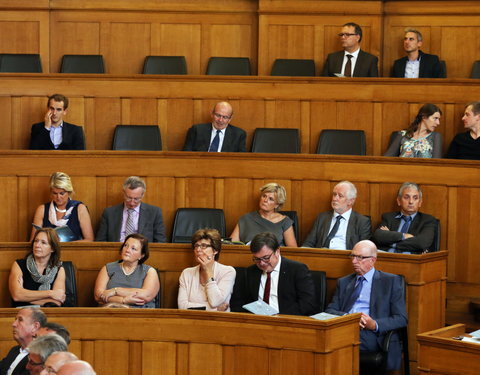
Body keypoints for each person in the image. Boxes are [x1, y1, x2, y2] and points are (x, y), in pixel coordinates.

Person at [326, 240, 407, 373]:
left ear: (373, 260)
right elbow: (330, 310)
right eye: (352, 256)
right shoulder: (344, 282)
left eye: (360, 258)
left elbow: (401, 318)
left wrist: (374, 324)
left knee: (338, 346)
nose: (354, 261)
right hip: (344, 329)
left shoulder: (391, 282)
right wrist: (349, 318)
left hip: (371, 334)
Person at [230, 232, 317, 316]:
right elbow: (237, 303)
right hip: (257, 323)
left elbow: (307, 305)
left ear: (277, 251)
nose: (262, 263)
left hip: (287, 322)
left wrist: (279, 317)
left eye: (266, 258)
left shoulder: (297, 270)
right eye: (257, 259)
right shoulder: (250, 272)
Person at [94, 233, 160, 308]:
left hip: (140, 315)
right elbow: (98, 296)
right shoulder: (108, 268)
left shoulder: (150, 271)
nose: (127, 250)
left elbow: (146, 295)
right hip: (111, 313)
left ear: (141, 255)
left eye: (133, 248)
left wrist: (115, 291)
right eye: (126, 245)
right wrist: (123, 300)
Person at [178, 228, 236, 311]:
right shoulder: (186, 273)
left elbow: (215, 302)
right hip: (192, 320)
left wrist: (208, 271)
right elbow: (182, 306)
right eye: (196, 246)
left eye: (204, 246)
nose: (198, 250)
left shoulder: (228, 271)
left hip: (219, 321)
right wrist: (215, 309)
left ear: (215, 250)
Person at [302, 181, 371, 249]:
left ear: (351, 201)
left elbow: (364, 250)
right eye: (334, 194)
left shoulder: (362, 222)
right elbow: (308, 243)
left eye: (340, 196)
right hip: (321, 256)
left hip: (347, 258)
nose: (335, 199)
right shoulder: (322, 217)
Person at [95, 176, 166, 242]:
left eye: (136, 199)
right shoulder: (109, 213)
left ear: (142, 195)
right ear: (123, 193)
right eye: (129, 198)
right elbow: (101, 241)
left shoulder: (154, 212)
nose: (132, 203)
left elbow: (160, 242)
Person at [372, 182, 437, 253]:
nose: (411, 202)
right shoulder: (388, 217)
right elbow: (378, 236)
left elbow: (421, 243)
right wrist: (404, 235)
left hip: (411, 261)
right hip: (388, 259)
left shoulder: (427, 220)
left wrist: (390, 239)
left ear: (420, 202)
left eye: (415, 198)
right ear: (399, 201)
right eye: (406, 197)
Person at [9, 228, 66, 307]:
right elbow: (16, 296)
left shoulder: (59, 269)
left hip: (47, 315)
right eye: (36, 241)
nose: (37, 245)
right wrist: (50, 293)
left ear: (52, 248)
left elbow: (56, 302)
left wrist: (25, 297)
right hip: (22, 313)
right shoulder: (19, 265)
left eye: (43, 243)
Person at [30, 172, 94, 242]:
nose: (58, 197)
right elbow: (33, 241)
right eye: (55, 193)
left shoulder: (80, 208)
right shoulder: (42, 209)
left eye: (62, 193)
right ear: (51, 193)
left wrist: (65, 246)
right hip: (49, 252)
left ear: (69, 192)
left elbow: (89, 240)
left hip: (73, 251)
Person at [230, 183, 297, 247]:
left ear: (277, 204)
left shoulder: (285, 222)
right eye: (264, 196)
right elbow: (231, 245)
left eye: (271, 199)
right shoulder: (245, 219)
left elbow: (292, 250)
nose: (265, 200)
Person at [0, 307, 46, 375]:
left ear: (35, 327)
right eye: (15, 320)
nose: (14, 324)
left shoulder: (40, 356)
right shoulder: (14, 350)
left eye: (20, 320)